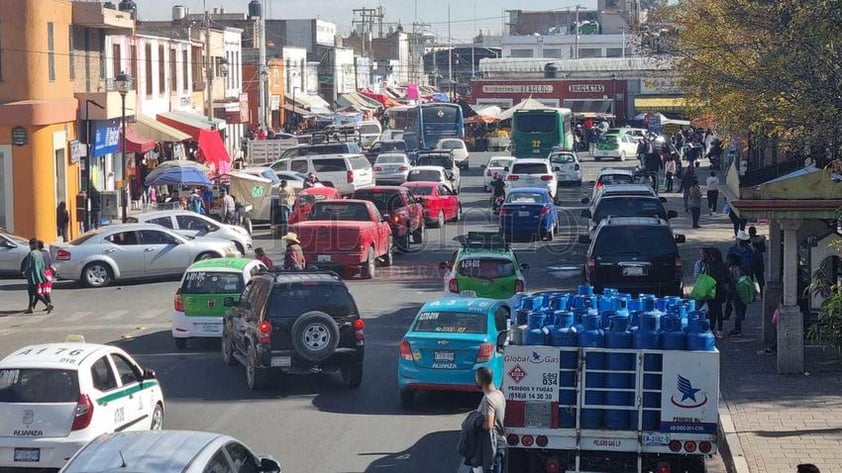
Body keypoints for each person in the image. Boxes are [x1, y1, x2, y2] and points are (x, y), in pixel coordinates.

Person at [476, 366, 506, 473]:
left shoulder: (488, 399)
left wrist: (475, 425)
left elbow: (489, 424)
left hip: (491, 447)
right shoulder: (499, 394)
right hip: (500, 443)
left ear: (480, 380)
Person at [705, 247, 730, 338]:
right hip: (719, 290)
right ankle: (718, 329)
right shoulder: (722, 265)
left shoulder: (709, 264)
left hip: (713, 289)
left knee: (715, 311)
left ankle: (714, 329)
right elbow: (727, 277)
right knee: (716, 311)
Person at [21, 238, 50, 314]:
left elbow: (29, 265)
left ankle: (48, 304)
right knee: (31, 291)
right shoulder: (39, 253)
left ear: (31, 245)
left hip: (32, 276)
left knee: (35, 292)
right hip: (39, 275)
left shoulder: (31, 253)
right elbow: (43, 265)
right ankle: (30, 307)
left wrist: (25, 272)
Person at [726, 253, 747, 337]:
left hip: (737, 292)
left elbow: (737, 280)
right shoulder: (734, 268)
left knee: (737, 311)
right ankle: (737, 328)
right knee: (736, 310)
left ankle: (738, 329)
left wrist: (729, 278)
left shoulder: (736, 269)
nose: (728, 261)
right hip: (734, 292)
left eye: (729, 259)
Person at [748, 226, 767, 295]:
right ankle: (762, 294)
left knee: (751, 280)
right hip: (758, 262)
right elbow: (763, 249)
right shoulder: (760, 239)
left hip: (751, 262)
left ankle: (752, 294)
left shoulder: (748, 240)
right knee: (760, 280)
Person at [37, 241, 54, 312]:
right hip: (48, 272)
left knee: (39, 291)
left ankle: (48, 304)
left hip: (43, 273)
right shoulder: (46, 253)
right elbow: (50, 263)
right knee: (46, 291)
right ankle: (49, 304)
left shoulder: (39, 254)